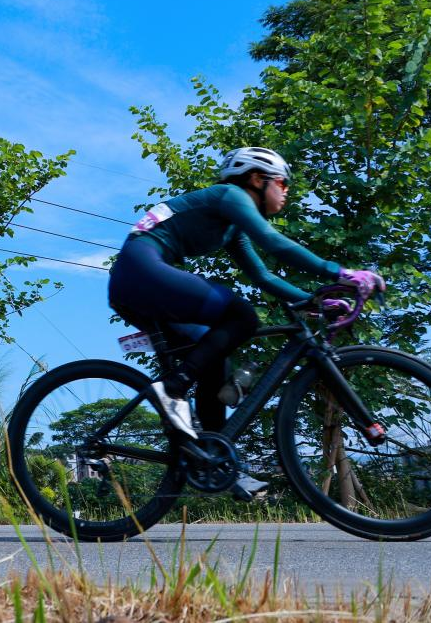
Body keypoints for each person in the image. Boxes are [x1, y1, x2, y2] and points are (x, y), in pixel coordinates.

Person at [107, 146, 385, 498]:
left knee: (214, 355)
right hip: (140, 268)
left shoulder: (230, 227)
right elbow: (272, 241)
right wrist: (341, 273)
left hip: (140, 279)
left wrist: (311, 300)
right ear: (257, 179)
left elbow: (263, 276)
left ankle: (214, 458)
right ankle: (172, 389)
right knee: (241, 315)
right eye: (282, 183)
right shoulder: (231, 195)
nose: (286, 191)